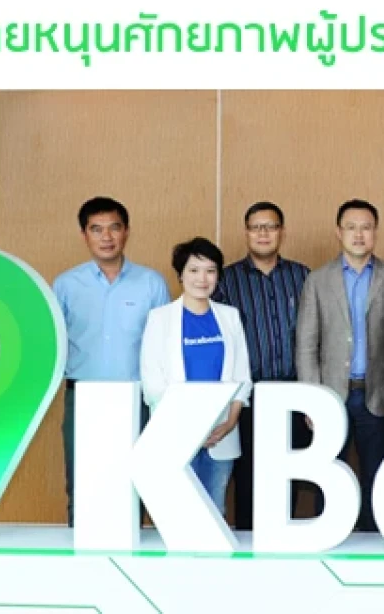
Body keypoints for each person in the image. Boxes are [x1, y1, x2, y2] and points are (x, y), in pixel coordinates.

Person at [52, 196, 170, 527]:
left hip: (137, 397)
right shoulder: (65, 285)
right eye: (97, 229)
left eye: (114, 228)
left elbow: (164, 347)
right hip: (82, 395)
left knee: (136, 481)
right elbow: (53, 344)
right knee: (82, 478)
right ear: (84, 235)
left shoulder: (151, 283)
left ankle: (133, 545)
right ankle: (79, 544)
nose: (106, 237)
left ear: (126, 231)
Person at [296, 199, 384, 531]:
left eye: (366, 227)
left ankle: (375, 539)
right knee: (328, 474)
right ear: (338, 232)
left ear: (376, 232)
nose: (359, 235)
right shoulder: (318, 280)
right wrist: (312, 400)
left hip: (377, 395)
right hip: (331, 396)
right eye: (351, 227)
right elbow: (306, 344)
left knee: (378, 476)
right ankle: (327, 536)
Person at [211, 202, 310, 529]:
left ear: (282, 232)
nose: (263, 233)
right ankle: (249, 543)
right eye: (256, 227)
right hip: (246, 396)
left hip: (292, 393)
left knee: (290, 474)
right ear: (246, 233)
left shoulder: (302, 276)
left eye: (271, 226)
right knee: (248, 476)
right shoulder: (226, 280)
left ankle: (284, 542)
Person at [140, 238, 252, 515]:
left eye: (210, 271)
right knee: (179, 514)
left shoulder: (229, 316)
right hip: (177, 432)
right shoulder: (160, 318)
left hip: (221, 433)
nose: (202, 278)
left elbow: (242, 375)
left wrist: (231, 421)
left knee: (214, 512)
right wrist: (190, 428)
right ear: (180, 274)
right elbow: (153, 383)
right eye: (194, 270)